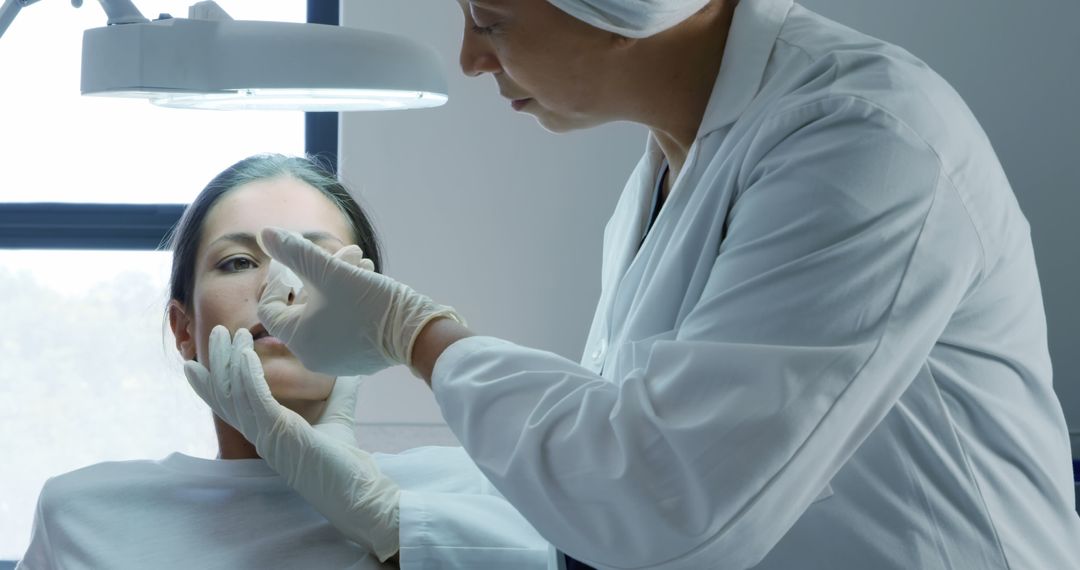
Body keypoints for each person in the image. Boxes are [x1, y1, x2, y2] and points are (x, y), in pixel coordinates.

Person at [186, 1, 1080, 569]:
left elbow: (663, 503)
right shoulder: (674, 166)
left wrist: (416, 336)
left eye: (489, 18)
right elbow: (608, 476)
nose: (467, 58)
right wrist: (391, 524)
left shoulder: (862, 140)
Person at [17, 154, 547, 570]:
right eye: (239, 262)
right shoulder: (86, 512)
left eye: (314, 260)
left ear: (373, 310)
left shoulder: (473, 489)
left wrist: (389, 521)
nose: (279, 287)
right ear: (183, 329)